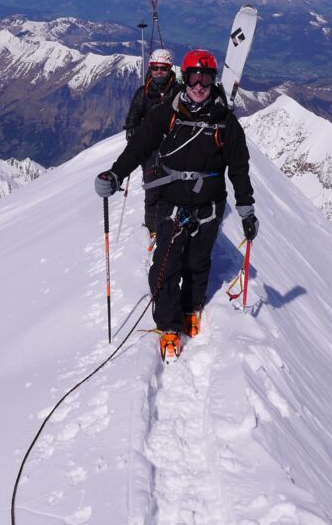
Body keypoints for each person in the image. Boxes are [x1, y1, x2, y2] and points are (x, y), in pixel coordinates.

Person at [96, 49, 259, 361]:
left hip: (209, 207)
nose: (199, 85)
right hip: (171, 204)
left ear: (213, 82)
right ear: (184, 79)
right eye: (194, 77)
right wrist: (116, 174)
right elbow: (140, 146)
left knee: (197, 264)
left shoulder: (225, 124)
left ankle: (190, 307)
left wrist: (246, 209)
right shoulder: (166, 114)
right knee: (165, 267)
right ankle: (169, 325)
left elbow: (239, 169)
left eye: (206, 78)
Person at [122, 48, 178, 235]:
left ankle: (171, 225)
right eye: (155, 68)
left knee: (173, 188)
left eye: (163, 68)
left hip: (174, 147)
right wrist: (135, 137)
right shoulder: (143, 94)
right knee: (152, 188)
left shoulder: (179, 92)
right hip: (150, 150)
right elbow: (131, 121)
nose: (159, 72)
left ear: (170, 68)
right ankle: (153, 230)